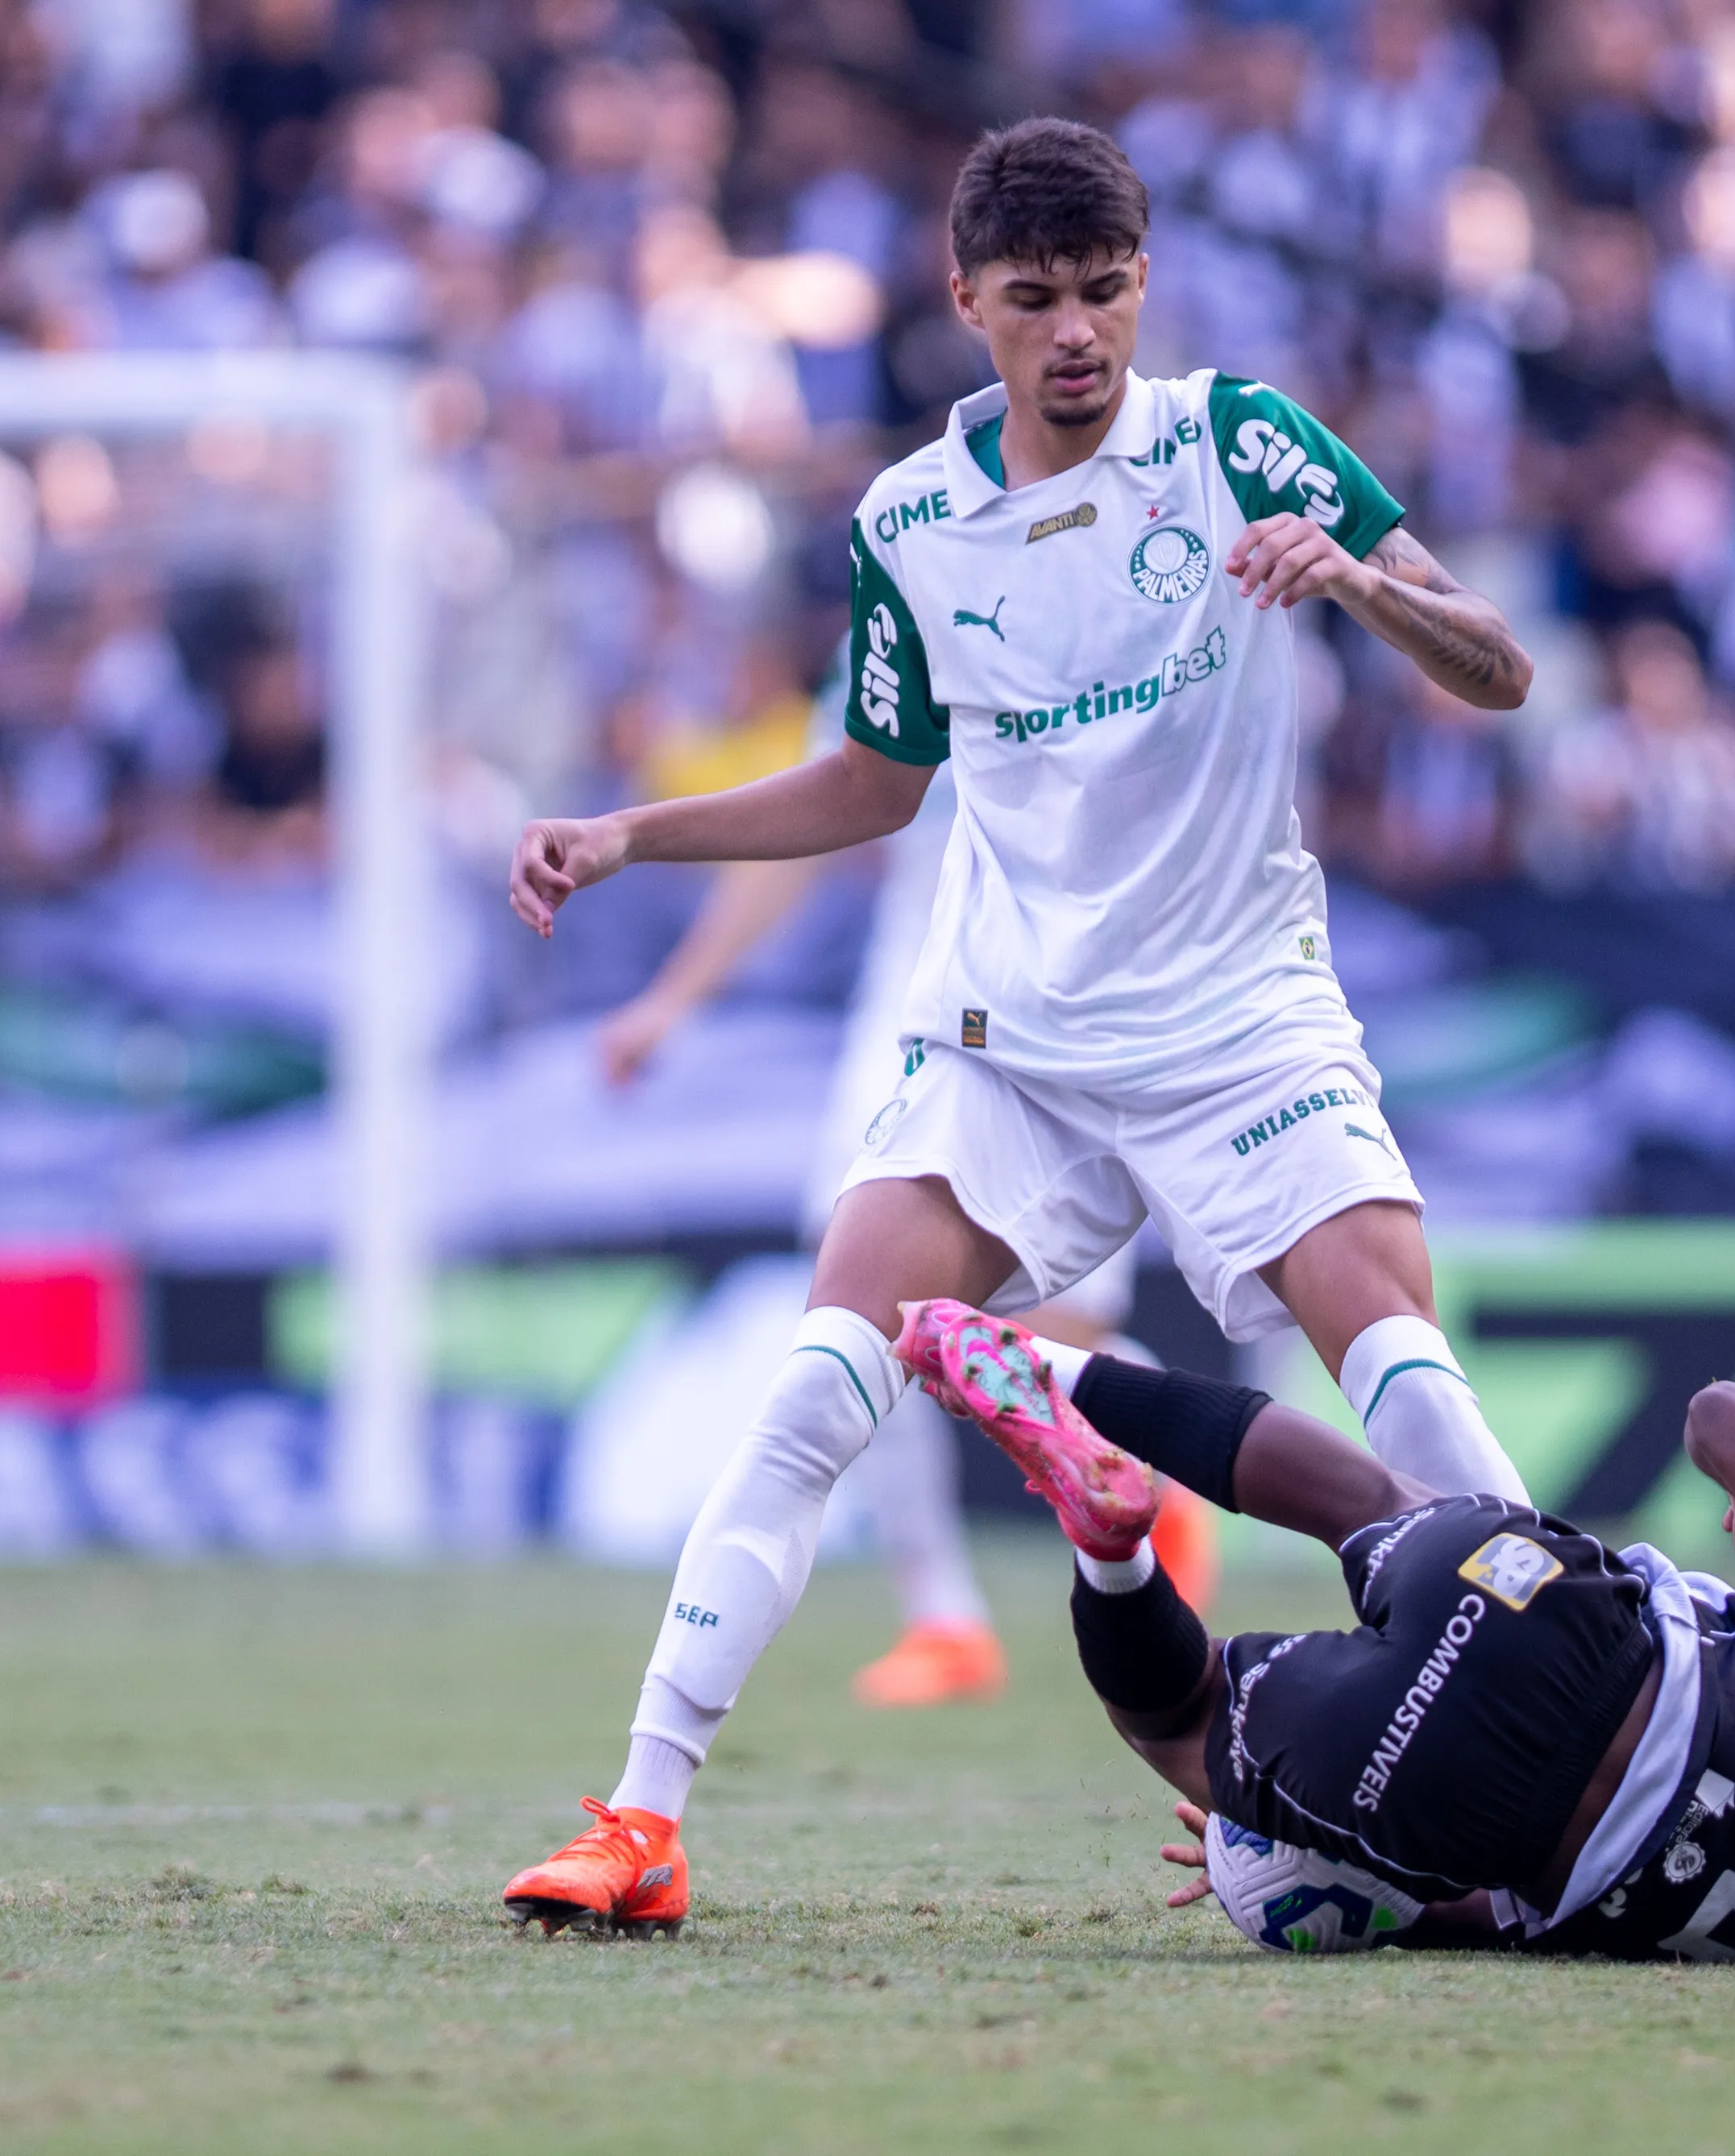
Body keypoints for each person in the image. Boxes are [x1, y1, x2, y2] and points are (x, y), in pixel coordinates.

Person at [498, 116, 1540, 1935]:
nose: (1076, 330)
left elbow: (1497, 667)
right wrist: (628, 834)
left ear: (1145, 283)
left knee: (1403, 1373)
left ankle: (1590, 1731)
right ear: (965, 299)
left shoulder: (1237, 442)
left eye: (1107, 290)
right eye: (1037, 297)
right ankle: (639, 1820)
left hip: (1238, 1028)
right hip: (1009, 1042)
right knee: (825, 1367)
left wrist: (1362, 583)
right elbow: (875, 784)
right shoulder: (909, 514)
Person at [899, 1296, 1735, 1963]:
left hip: (1569, 1634)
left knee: (1366, 1504)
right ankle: (1110, 1548)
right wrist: (1311, 1865)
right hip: (1494, 1813)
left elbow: (1727, 1414)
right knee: (1183, 1725)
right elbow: (1495, 1919)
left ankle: (1045, 1362)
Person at [581, 715, 1217, 1714]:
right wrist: (675, 997)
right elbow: (815, 818)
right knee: (859, 1304)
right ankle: (945, 1615)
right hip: (922, 1013)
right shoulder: (904, 605)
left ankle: (1156, 1486)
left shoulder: (1105, 598)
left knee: (1038, 1324)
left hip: (1065, 1013)